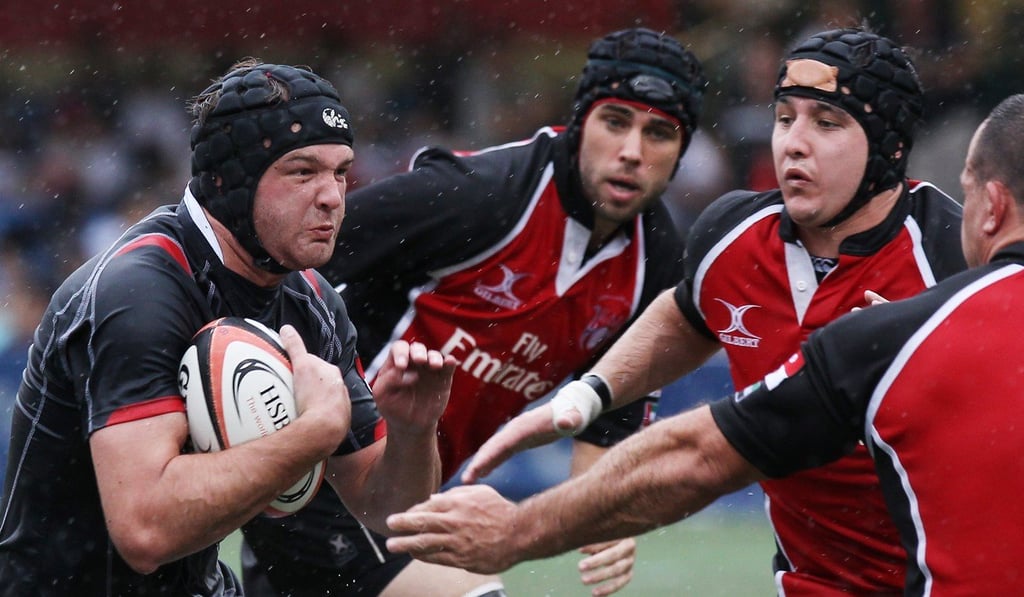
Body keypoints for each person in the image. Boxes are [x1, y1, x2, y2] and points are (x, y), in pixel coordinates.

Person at [385, 92, 1024, 596]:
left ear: (991, 206)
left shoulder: (901, 329)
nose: (794, 143)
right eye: (783, 117)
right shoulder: (732, 238)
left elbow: (702, 457)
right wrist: (588, 395)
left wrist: (517, 530)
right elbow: (687, 315)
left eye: (826, 121)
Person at [240, 27, 707, 597]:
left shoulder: (656, 262)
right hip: (334, 469)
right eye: (615, 122)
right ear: (582, 121)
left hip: (406, 495)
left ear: (683, 152)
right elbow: (301, 254)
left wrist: (601, 524)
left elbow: (611, 411)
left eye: (659, 133)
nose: (633, 151)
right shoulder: (483, 194)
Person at [0, 59, 456, 596]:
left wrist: (413, 430)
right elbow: (145, 531)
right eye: (302, 171)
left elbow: (390, 512)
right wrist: (315, 432)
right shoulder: (138, 291)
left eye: (340, 170)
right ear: (231, 181)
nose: (335, 194)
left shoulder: (312, 301)